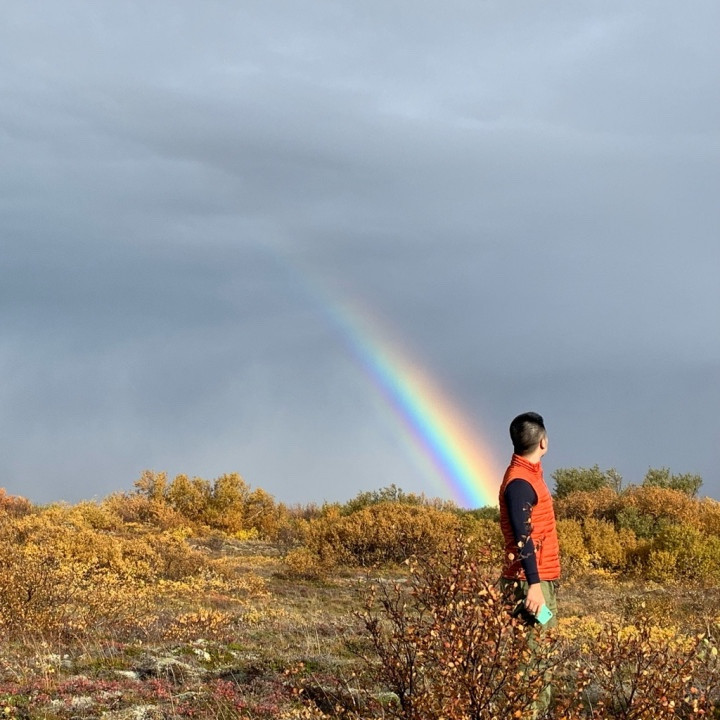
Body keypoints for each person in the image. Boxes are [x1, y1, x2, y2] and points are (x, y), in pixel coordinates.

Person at [498, 411, 560, 717]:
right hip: (529, 586)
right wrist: (535, 585)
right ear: (543, 442)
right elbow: (523, 537)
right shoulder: (520, 482)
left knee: (540, 656)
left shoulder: (529, 475)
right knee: (531, 664)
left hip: (535, 581)